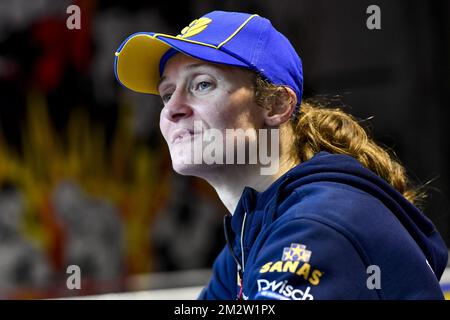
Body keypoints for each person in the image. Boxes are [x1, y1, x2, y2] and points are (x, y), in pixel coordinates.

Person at [114, 10, 448, 300]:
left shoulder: (316, 227)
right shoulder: (252, 230)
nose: (172, 109)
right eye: (166, 93)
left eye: (202, 84)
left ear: (276, 104)